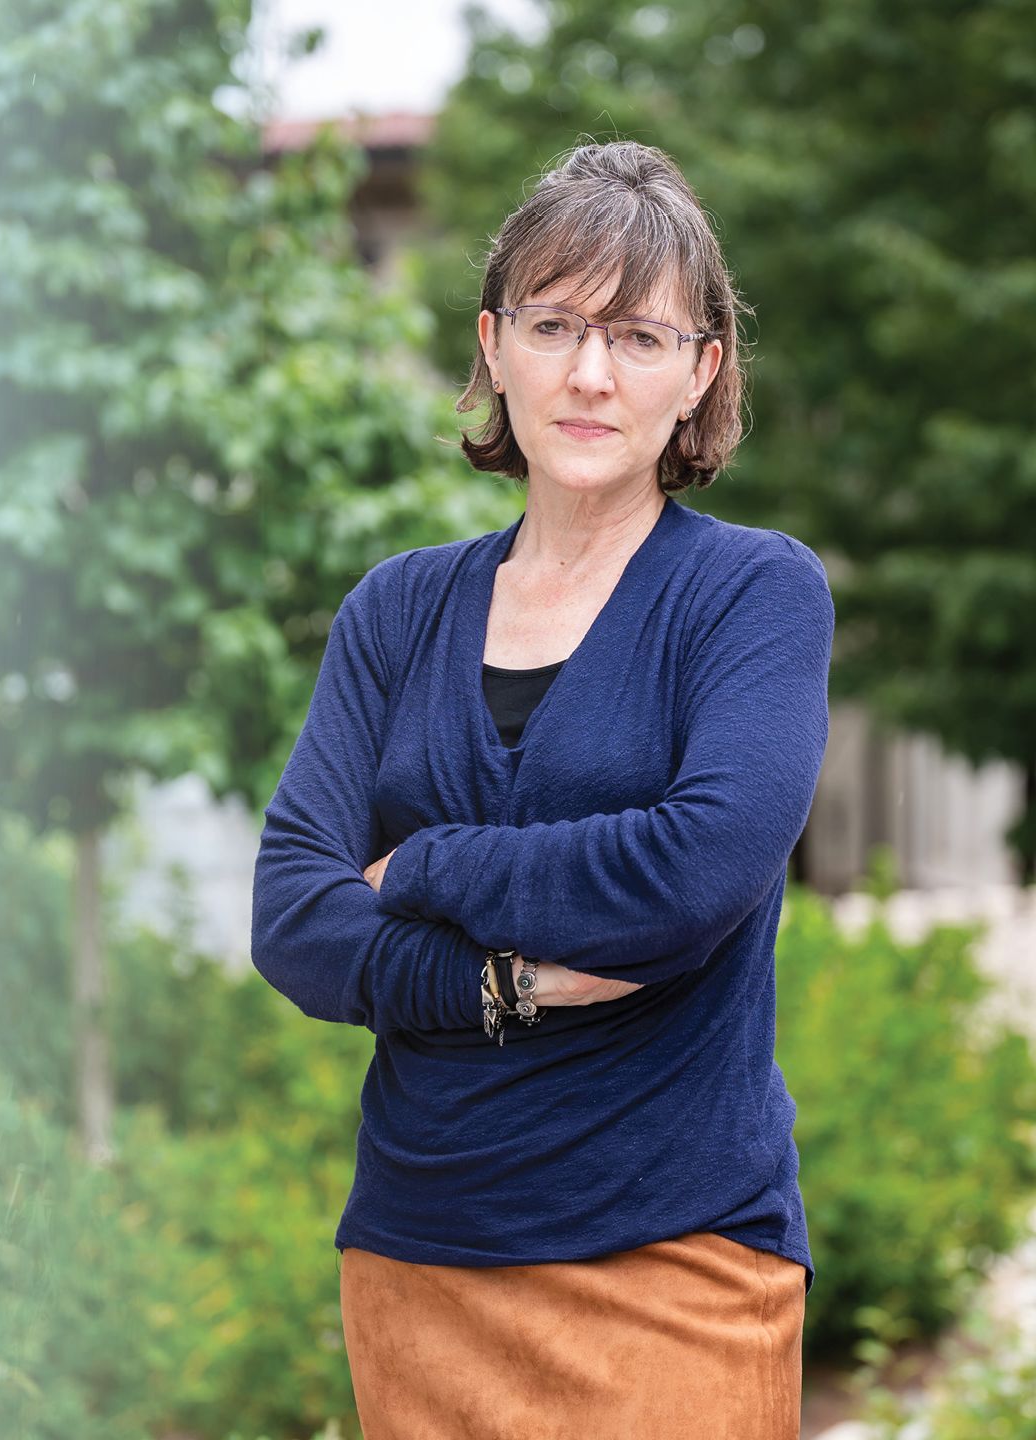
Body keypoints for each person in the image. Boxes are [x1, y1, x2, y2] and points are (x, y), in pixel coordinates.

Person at [249, 140, 828, 1437]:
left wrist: (429, 869)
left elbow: (692, 875)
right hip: (419, 1258)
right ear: (493, 346)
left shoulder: (751, 595)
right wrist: (493, 983)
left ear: (701, 372)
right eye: (554, 324)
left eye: (635, 336)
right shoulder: (397, 612)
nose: (586, 373)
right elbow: (295, 919)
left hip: (674, 1260)